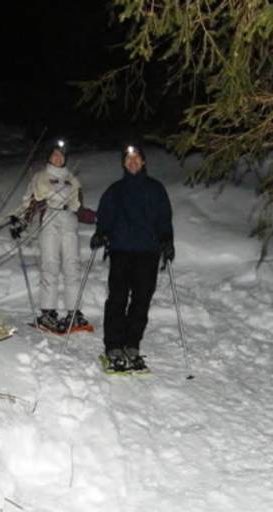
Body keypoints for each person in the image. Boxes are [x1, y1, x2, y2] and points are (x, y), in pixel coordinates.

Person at [90, 145, 174, 372]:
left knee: (141, 300)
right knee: (117, 299)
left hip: (148, 252)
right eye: (128, 159)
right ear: (124, 164)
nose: (133, 162)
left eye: (136, 158)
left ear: (143, 162)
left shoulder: (156, 189)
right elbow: (105, 217)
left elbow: (164, 218)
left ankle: (132, 344)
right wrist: (101, 233)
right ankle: (114, 346)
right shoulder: (115, 190)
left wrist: (167, 240)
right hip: (121, 251)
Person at [10, 139, 96, 333]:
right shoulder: (40, 177)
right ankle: (47, 313)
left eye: (61, 155)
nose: (57, 158)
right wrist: (20, 220)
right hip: (49, 218)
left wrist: (97, 218)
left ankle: (74, 313)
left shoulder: (73, 180)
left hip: (69, 220)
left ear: (65, 158)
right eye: (54, 154)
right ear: (49, 157)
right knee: (50, 265)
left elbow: (78, 207)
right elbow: (29, 202)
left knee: (72, 266)